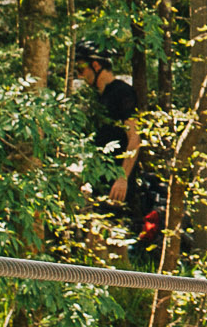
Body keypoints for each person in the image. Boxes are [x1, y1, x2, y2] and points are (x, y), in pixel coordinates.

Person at [70, 43, 163, 251]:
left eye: (81, 67)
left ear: (96, 65)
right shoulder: (97, 98)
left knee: (114, 238)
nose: (80, 74)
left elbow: (134, 138)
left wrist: (122, 177)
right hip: (99, 179)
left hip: (117, 182)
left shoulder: (122, 93)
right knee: (96, 240)